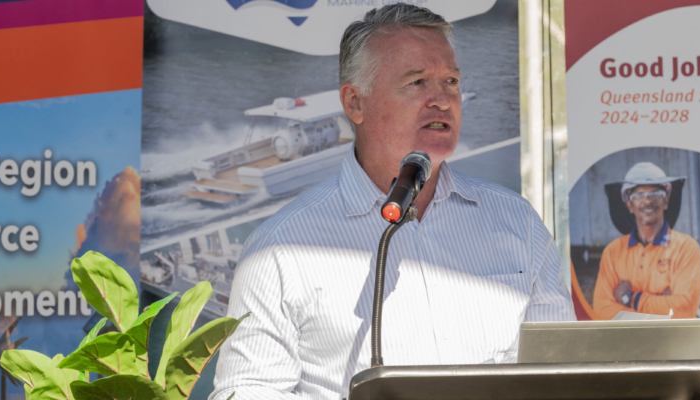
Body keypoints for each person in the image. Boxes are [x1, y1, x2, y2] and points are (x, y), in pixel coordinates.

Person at [209, 5, 574, 400]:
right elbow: (245, 392)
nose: (443, 100)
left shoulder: (517, 221)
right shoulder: (279, 249)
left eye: (451, 81)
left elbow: (563, 374)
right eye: (417, 82)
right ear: (355, 103)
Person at [592, 162, 700, 319]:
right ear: (629, 205)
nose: (647, 201)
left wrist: (630, 298)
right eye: (639, 195)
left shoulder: (686, 248)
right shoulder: (612, 252)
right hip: (627, 344)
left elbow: (683, 309)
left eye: (655, 193)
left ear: (666, 201)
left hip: (672, 343)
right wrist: (661, 305)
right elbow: (603, 310)